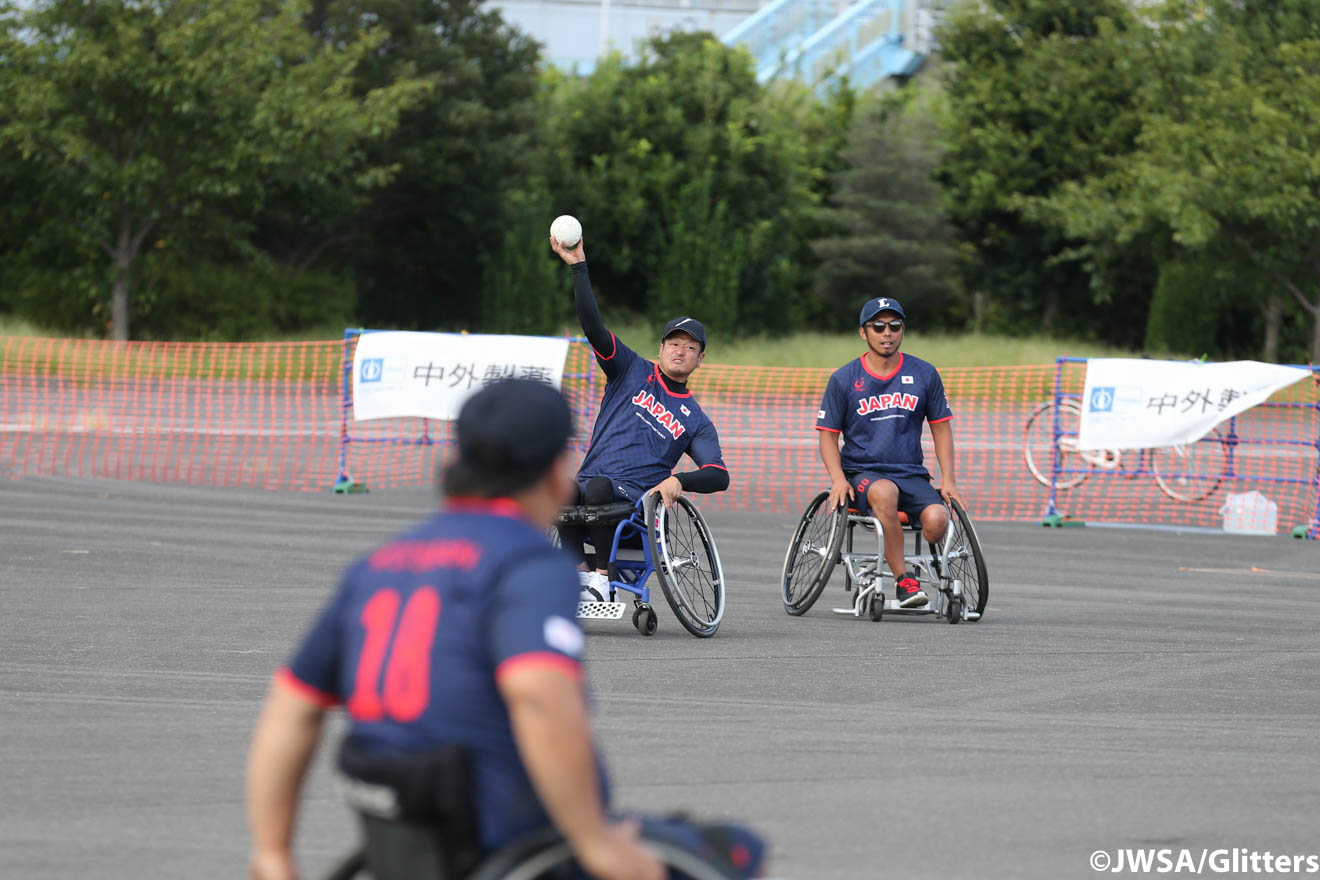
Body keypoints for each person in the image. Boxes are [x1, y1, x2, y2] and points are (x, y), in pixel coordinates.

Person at [246, 379, 763, 880]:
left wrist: (272, 853)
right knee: (737, 849)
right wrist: (595, 842)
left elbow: (292, 706)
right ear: (555, 475)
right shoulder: (527, 567)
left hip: (401, 829)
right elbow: (539, 696)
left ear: (455, 463)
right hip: (503, 832)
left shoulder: (378, 566)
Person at [549, 234, 729, 600]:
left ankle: (603, 580)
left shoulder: (695, 420)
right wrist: (578, 267)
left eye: (690, 347)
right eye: (674, 343)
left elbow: (718, 474)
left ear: (700, 359)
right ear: (661, 348)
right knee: (561, 487)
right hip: (587, 495)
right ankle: (579, 574)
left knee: (598, 487)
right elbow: (593, 328)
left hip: (634, 507)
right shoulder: (629, 369)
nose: (680, 351)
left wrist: (679, 480)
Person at [815, 297, 962, 608]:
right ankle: (904, 580)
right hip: (863, 473)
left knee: (937, 520)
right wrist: (838, 479)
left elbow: (941, 428)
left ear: (902, 330)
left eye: (895, 326)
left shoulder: (924, 374)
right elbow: (828, 436)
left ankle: (928, 568)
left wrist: (949, 479)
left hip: (910, 473)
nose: (887, 333)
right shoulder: (844, 378)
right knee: (885, 493)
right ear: (863, 332)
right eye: (878, 326)